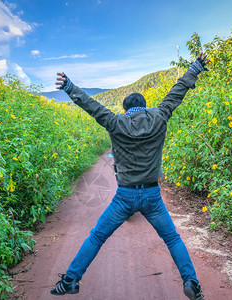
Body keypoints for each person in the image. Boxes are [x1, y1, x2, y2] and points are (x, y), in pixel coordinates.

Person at [51, 53, 209, 300]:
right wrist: (195, 68)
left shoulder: (116, 122)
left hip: (124, 196)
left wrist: (70, 87)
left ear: (125, 109)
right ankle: (191, 281)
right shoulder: (159, 116)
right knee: (172, 239)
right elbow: (177, 92)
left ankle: (71, 280)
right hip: (152, 196)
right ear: (144, 106)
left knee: (97, 236)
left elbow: (92, 106)